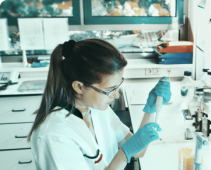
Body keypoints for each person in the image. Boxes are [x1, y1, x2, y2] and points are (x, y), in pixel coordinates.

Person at [28, 38, 171, 170]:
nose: (115, 95)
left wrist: (151, 108)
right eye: (109, 89)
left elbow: (138, 151)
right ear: (79, 86)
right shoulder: (54, 135)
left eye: (117, 86)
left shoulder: (97, 108)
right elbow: (129, 150)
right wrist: (124, 153)